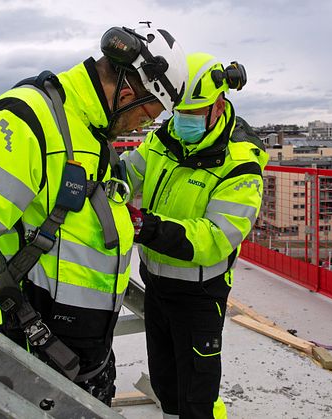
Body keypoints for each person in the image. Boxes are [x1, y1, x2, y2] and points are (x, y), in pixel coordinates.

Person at [0, 25, 187, 406]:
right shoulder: (24, 121)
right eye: (147, 116)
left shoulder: (90, 134)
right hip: (28, 364)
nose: (142, 127)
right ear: (129, 91)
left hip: (75, 359)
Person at [122, 52, 267, 418]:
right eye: (179, 112)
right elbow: (129, 171)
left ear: (219, 104)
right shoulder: (165, 140)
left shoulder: (240, 165)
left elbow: (215, 238)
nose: (183, 120)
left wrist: (146, 227)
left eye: (193, 113)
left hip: (199, 296)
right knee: (166, 385)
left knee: (197, 396)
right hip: (156, 284)